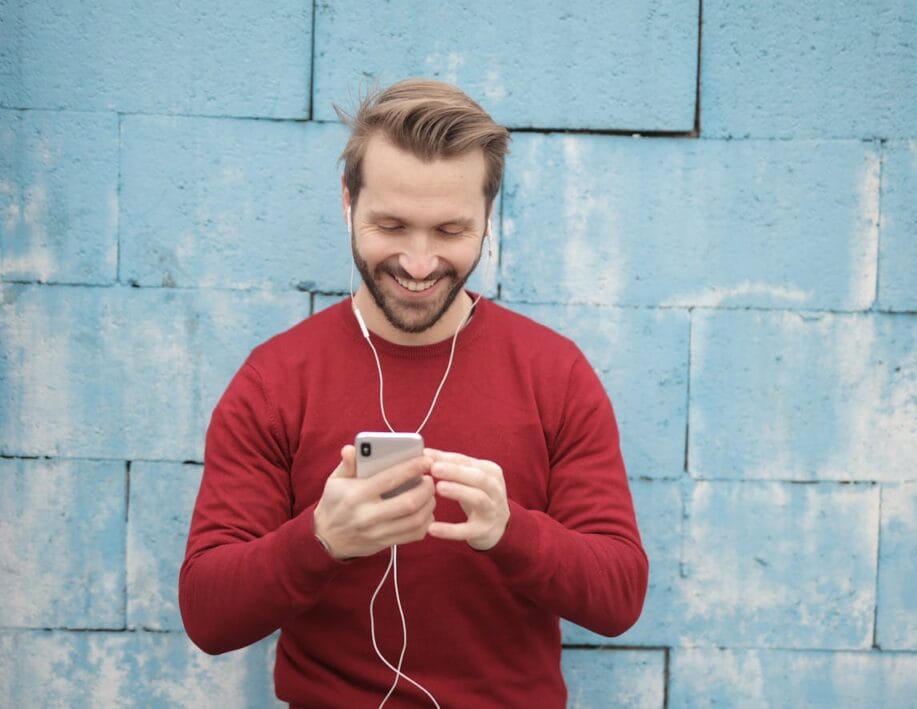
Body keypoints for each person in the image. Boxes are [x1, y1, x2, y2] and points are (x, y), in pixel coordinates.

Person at [179, 78, 648, 707]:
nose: (420, 263)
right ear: (348, 202)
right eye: (391, 225)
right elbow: (209, 616)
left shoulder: (554, 373)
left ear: (488, 218)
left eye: (451, 231)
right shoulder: (274, 381)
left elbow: (619, 598)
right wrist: (319, 540)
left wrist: (511, 532)